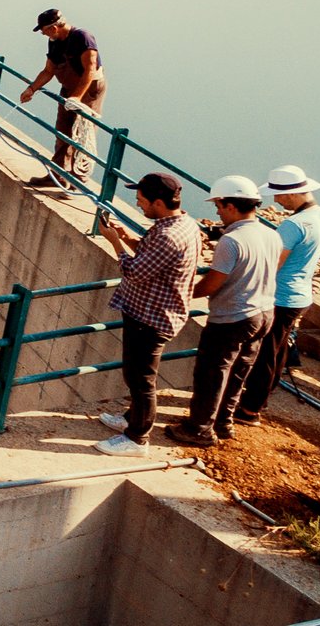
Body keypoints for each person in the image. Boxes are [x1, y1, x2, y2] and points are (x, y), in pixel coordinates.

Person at [165, 175, 282, 447]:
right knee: (239, 371)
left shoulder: (232, 242)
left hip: (233, 318)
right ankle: (223, 423)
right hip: (264, 313)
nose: (216, 210)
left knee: (212, 373)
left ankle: (199, 429)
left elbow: (211, 284)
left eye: (219, 204)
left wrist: (181, 291)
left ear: (231, 206)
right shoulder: (270, 233)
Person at [94, 172, 201, 457]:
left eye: (141, 200)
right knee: (136, 374)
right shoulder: (181, 224)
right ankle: (131, 419)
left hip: (152, 318)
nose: (138, 203)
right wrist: (128, 238)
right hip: (150, 313)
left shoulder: (167, 235)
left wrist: (114, 242)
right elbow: (150, 257)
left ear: (158, 202)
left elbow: (135, 271)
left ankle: (137, 438)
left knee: (141, 379)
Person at [237, 165, 320, 424]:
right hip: (300, 294)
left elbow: (272, 263)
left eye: (278, 196)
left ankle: (249, 409)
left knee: (265, 354)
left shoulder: (293, 224)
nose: (277, 202)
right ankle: (259, 401)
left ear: (293, 194)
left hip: (280, 297)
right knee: (278, 352)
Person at [18, 9, 106, 189]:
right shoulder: (55, 42)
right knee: (63, 130)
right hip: (68, 88)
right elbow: (48, 70)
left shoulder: (83, 38)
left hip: (88, 90)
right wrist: (31, 89)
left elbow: (89, 71)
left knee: (81, 133)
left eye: (44, 31)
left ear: (54, 28)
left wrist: (76, 98)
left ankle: (76, 181)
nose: (43, 34)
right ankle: (56, 174)